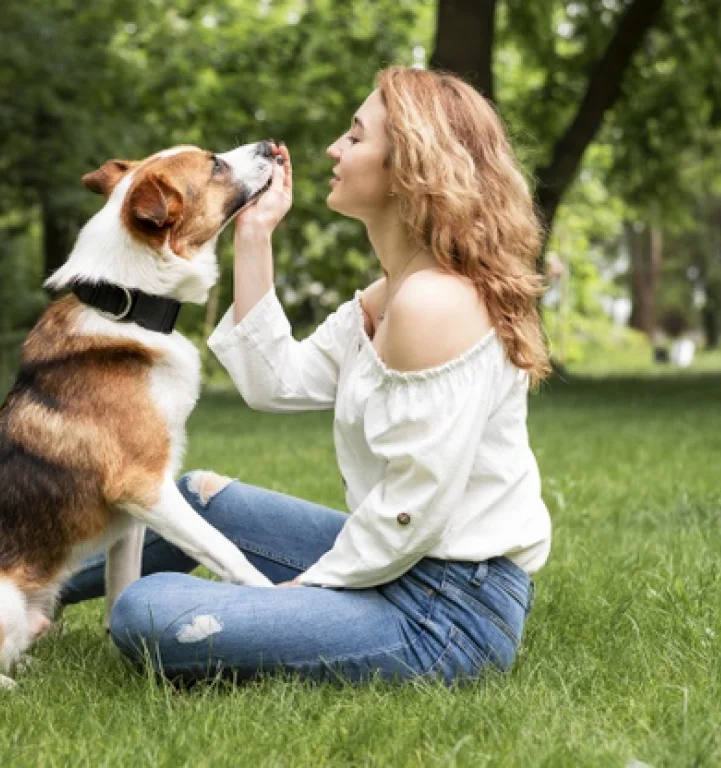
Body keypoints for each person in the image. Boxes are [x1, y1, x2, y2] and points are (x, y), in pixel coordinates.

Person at [59, 66, 552, 686]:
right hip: (406, 567)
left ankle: (43, 596)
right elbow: (277, 383)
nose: (332, 150)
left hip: (445, 612)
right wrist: (255, 235)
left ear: (409, 167)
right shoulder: (392, 291)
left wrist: (304, 591)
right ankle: (25, 587)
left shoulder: (435, 304)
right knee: (193, 497)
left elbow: (412, 509)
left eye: (355, 135)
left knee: (145, 611)